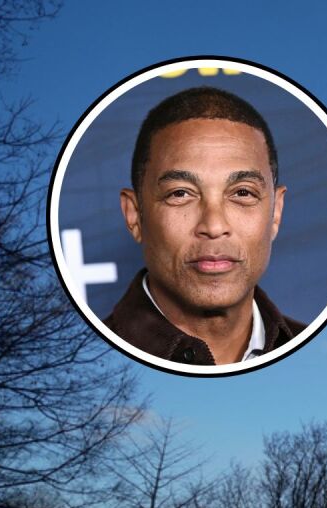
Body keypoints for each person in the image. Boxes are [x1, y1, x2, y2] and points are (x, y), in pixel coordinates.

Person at [104, 86, 305, 366]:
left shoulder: (305, 347)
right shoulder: (92, 358)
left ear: (275, 213)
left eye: (242, 193)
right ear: (134, 215)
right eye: (180, 194)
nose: (213, 225)